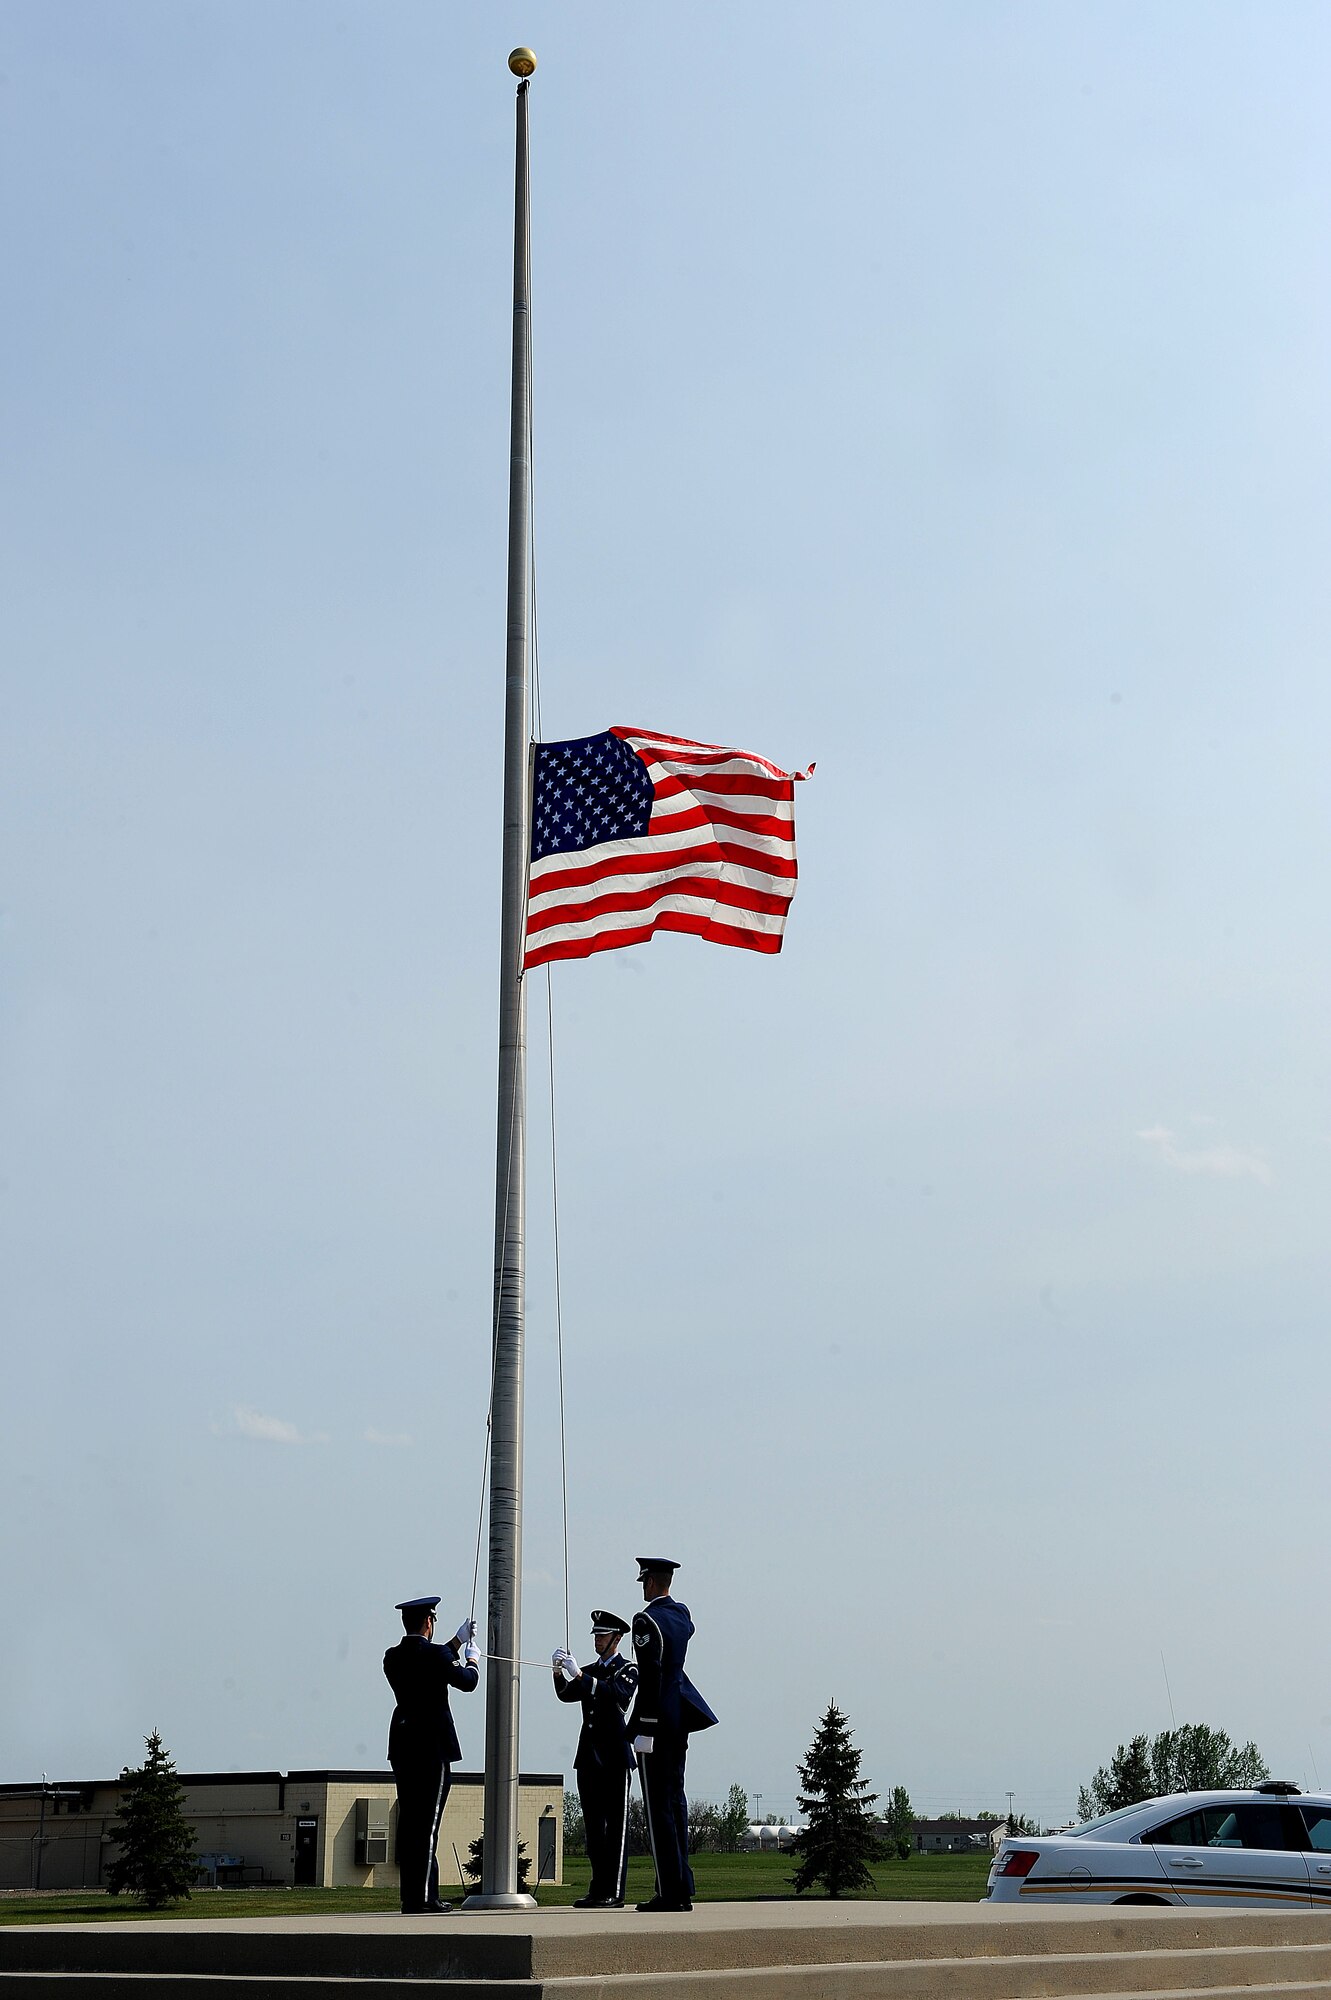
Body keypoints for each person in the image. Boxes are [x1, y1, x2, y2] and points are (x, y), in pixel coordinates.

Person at [629, 1557, 717, 1912]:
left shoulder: (645, 1621)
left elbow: (650, 1675)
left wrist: (644, 1726)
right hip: (679, 1715)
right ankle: (681, 1884)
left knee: (658, 1808)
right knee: (675, 1802)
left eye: (644, 1582)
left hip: (658, 1720)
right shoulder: (682, 1615)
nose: (643, 1587)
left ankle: (669, 1891)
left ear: (651, 1582)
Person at [383, 1594, 480, 1914]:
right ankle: (424, 1898)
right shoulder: (436, 1655)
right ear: (429, 1621)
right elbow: (467, 1682)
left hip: (403, 1744)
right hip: (432, 1747)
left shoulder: (392, 1657)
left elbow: (429, 1660)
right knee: (427, 1826)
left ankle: (411, 1896)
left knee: (411, 1823)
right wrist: (472, 1659)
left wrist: (456, 1641)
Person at [552, 1610, 638, 1908]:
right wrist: (557, 1671)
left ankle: (614, 1890)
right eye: (596, 1636)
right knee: (593, 1830)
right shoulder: (589, 1671)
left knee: (616, 1829)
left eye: (602, 1636)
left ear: (617, 1638)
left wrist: (579, 1675)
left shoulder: (627, 1669)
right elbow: (566, 1694)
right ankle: (598, 1887)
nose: (597, 1640)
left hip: (615, 1758)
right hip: (589, 1758)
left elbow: (617, 1696)